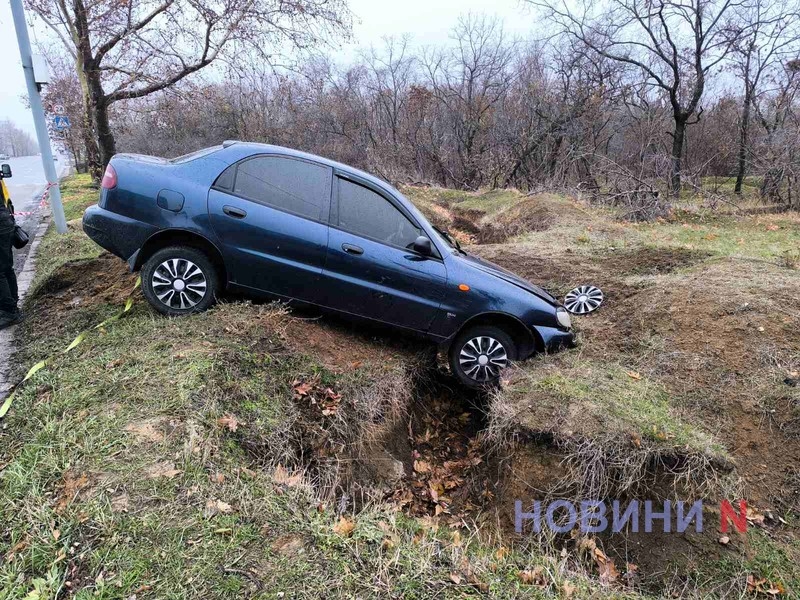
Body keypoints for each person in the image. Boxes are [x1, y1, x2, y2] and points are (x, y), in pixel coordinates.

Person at [0, 177, 21, 330]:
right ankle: (13, 304)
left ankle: (9, 311)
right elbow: (7, 200)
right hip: (5, 223)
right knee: (7, 268)